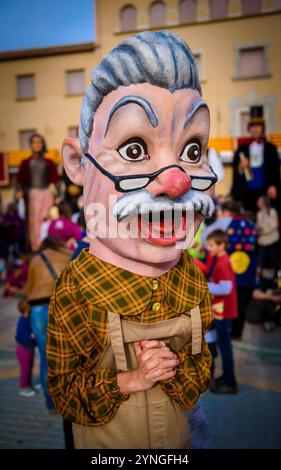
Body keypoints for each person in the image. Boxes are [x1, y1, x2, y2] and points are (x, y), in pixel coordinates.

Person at [47, 31, 217, 449]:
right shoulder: (77, 290)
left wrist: (175, 369)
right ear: (77, 164)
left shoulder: (191, 279)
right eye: (135, 147)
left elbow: (203, 368)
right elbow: (64, 392)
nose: (177, 182)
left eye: (192, 151)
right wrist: (132, 379)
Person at [25, 237, 71, 413]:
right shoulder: (68, 254)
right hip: (61, 306)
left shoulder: (37, 260)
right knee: (67, 355)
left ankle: (51, 404)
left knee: (46, 357)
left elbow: (29, 291)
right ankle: (69, 398)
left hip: (38, 310)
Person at [201, 200, 257, 339]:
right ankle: (237, 334)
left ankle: (224, 333)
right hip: (248, 270)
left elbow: (205, 238)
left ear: (227, 212)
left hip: (229, 269)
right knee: (242, 304)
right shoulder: (250, 224)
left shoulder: (225, 222)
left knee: (226, 304)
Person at [231, 106, 281, 214]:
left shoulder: (271, 148)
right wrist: (240, 167)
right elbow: (235, 171)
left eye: (258, 125)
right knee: (249, 218)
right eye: (252, 126)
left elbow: (275, 170)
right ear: (249, 128)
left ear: (262, 128)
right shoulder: (242, 148)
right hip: (247, 191)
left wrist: (273, 185)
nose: (255, 128)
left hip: (265, 190)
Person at [206, 230, 238, 394]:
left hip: (224, 311)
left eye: (211, 245)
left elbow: (226, 288)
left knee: (225, 349)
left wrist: (204, 287)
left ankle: (230, 382)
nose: (209, 248)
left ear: (221, 245)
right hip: (221, 310)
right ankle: (226, 377)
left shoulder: (223, 263)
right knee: (224, 347)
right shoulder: (221, 260)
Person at [17, 133, 59, 252]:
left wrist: (56, 196)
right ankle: (35, 247)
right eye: (34, 142)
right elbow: (20, 182)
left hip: (46, 194)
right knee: (33, 222)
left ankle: (49, 246)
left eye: (39, 142)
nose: (37, 145)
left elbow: (55, 182)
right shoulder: (25, 163)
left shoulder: (49, 162)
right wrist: (19, 193)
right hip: (32, 195)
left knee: (47, 219)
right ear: (30, 145)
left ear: (42, 144)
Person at [15, 299, 36, 397]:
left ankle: (29, 384)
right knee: (25, 369)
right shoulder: (22, 321)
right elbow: (22, 335)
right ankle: (23, 388)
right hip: (23, 349)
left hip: (29, 348)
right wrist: (31, 336)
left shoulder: (28, 319)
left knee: (30, 367)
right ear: (26, 310)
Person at [256, 196, 280, 277]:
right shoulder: (259, 213)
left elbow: (274, 225)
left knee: (274, 259)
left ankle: (278, 276)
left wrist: (263, 230)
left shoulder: (272, 211)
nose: (257, 203)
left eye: (259, 202)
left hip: (271, 240)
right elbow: (259, 225)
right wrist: (258, 229)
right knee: (260, 260)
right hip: (262, 241)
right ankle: (259, 277)